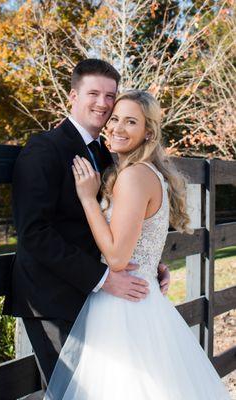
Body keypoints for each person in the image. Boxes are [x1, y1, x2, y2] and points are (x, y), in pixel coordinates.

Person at [44, 90, 230, 400]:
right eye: (114, 119)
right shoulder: (144, 173)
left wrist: (89, 199)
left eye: (131, 122)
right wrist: (153, 264)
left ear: (148, 133)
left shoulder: (133, 176)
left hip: (124, 304)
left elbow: (117, 258)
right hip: (139, 295)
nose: (117, 127)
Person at [3, 59, 170, 394]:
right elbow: (34, 234)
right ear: (72, 96)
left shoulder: (110, 156)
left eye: (110, 95)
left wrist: (150, 263)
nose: (103, 103)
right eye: (93, 93)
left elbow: (119, 223)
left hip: (98, 299)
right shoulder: (44, 149)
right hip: (52, 299)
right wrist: (105, 278)